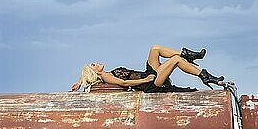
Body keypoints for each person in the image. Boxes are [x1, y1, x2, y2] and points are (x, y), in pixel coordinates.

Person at [70, 45, 224, 92]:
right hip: (150, 83)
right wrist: (145, 79)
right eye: (93, 64)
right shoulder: (105, 76)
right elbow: (124, 84)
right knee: (175, 60)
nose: (96, 62)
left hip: (148, 75)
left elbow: (87, 76)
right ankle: (204, 76)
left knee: (154, 49)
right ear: (94, 72)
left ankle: (189, 55)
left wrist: (79, 81)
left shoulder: (105, 73)